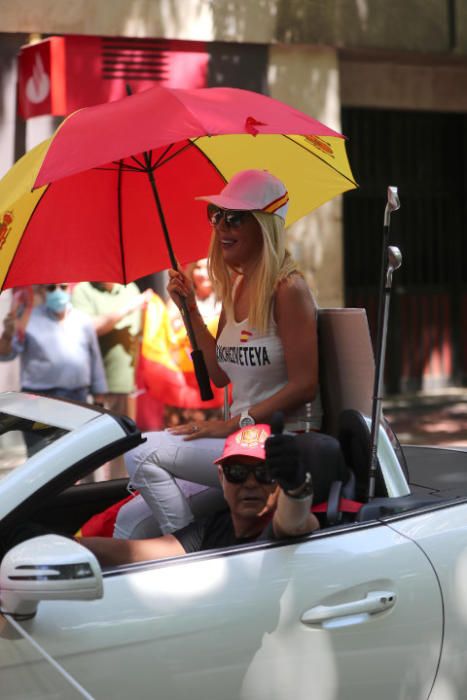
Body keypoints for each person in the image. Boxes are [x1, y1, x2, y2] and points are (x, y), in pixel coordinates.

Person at [124, 168, 323, 535]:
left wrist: (233, 423)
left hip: (281, 443)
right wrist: (189, 309)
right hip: (241, 439)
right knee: (128, 521)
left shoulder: (288, 288)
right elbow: (218, 374)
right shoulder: (237, 285)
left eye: (235, 217)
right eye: (216, 215)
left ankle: (192, 552)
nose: (221, 226)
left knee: (140, 451)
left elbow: (305, 385)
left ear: (265, 225)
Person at [79, 423, 320, 566]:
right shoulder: (213, 527)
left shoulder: (278, 530)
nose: (250, 483)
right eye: (236, 471)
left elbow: (296, 522)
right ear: (220, 477)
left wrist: (296, 486)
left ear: (278, 482)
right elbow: (139, 552)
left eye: (264, 473)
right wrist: (71, 546)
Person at [0, 283, 107, 404]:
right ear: (42, 291)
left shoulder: (83, 320)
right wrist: (7, 335)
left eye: (63, 287)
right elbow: (5, 355)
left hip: (78, 396)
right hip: (38, 397)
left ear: (70, 289)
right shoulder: (28, 318)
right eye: (51, 288)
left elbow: (95, 359)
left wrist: (99, 395)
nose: (58, 292)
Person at [71, 281, 150, 419]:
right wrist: (127, 309)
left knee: (127, 438)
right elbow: (88, 328)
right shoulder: (82, 290)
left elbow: (141, 333)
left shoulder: (131, 289)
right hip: (95, 389)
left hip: (126, 385)